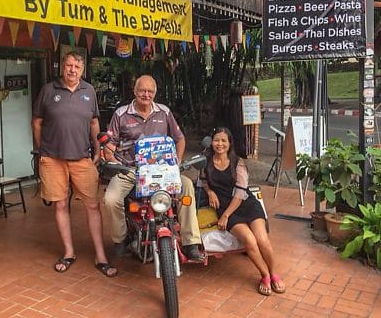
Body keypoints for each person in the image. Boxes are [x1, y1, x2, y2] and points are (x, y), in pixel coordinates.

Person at [32, 51, 117, 278]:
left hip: (82, 158)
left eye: (76, 67)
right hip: (53, 159)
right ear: (62, 67)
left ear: (82, 70)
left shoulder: (89, 91)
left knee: (92, 205)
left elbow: (94, 122)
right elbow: (37, 122)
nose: (72, 70)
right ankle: (69, 253)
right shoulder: (48, 90)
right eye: (69, 65)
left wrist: (98, 149)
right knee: (60, 205)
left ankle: (100, 256)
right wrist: (42, 151)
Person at [103, 75, 204, 261]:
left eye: (150, 91)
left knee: (187, 186)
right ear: (135, 91)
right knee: (110, 199)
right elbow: (110, 144)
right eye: (142, 90)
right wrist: (112, 159)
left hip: (163, 171)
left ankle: (191, 242)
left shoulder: (164, 112)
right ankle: (121, 239)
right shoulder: (121, 114)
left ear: (155, 94)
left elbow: (179, 138)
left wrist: (177, 163)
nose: (146, 94)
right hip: (131, 170)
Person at [202, 127, 285, 296]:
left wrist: (225, 216)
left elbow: (240, 193)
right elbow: (202, 182)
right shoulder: (206, 162)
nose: (220, 144)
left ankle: (274, 273)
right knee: (249, 240)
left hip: (246, 204)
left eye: (224, 141)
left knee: (262, 240)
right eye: (216, 140)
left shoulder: (238, 162)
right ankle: (265, 275)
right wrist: (210, 192)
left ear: (229, 143)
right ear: (211, 142)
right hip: (225, 208)